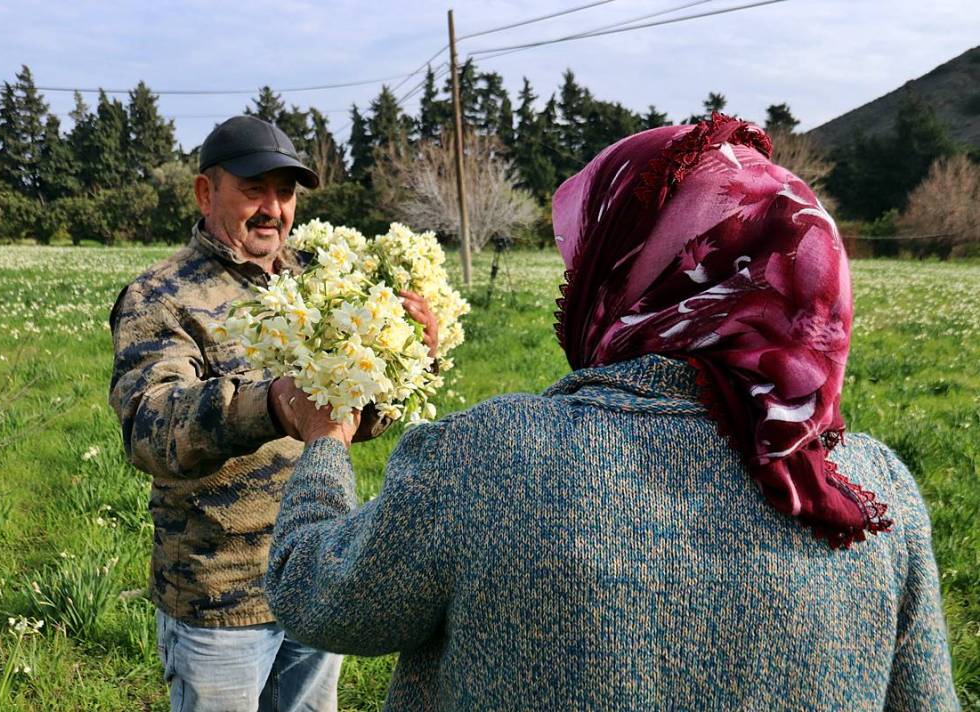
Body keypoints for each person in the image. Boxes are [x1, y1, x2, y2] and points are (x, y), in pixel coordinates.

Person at [263, 116, 960, 710]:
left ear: (627, 273)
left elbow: (312, 590)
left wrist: (325, 442)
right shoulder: (871, 495)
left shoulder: (492, 455)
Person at [108, 115, 438, 712]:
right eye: (253, 189)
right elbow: (150, 429)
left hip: (313, 571)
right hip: (219, 594)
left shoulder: (318, 280)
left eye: (284, 193)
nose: (273, 209)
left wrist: (411, 360)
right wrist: (271, 403)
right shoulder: (162, 295)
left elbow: (349, 419)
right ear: (207, 193)